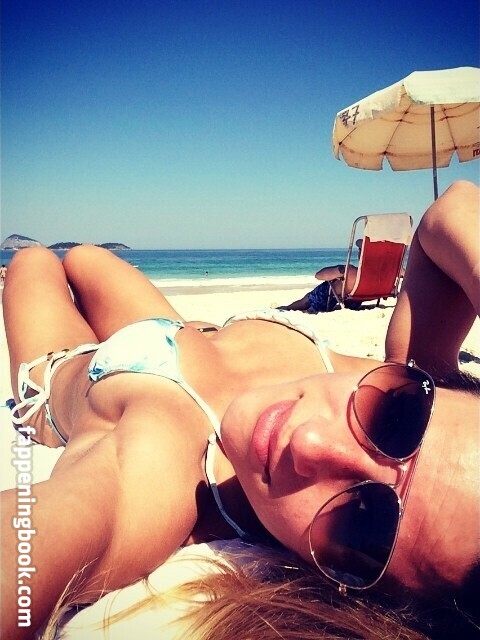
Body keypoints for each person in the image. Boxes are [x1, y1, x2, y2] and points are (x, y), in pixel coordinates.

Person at [1, 180, 479, 640]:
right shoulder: (404, 374)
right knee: (85, 256)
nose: (310, 442)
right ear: (441, 384)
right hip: (185, 334)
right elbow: (454, 207)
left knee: (32, 261)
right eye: (397, 419)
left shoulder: (161, 479)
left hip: (66, 372)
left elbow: (32, 547)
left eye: (359, 524)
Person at [277, 240, 363, 313]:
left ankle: (287, 308)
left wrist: (337, 272)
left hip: (331, 296)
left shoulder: (350, 271)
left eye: (360, 250)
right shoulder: (370, 275)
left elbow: (318, 275)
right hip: (355, 301)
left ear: (362, 254)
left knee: (308, 299)